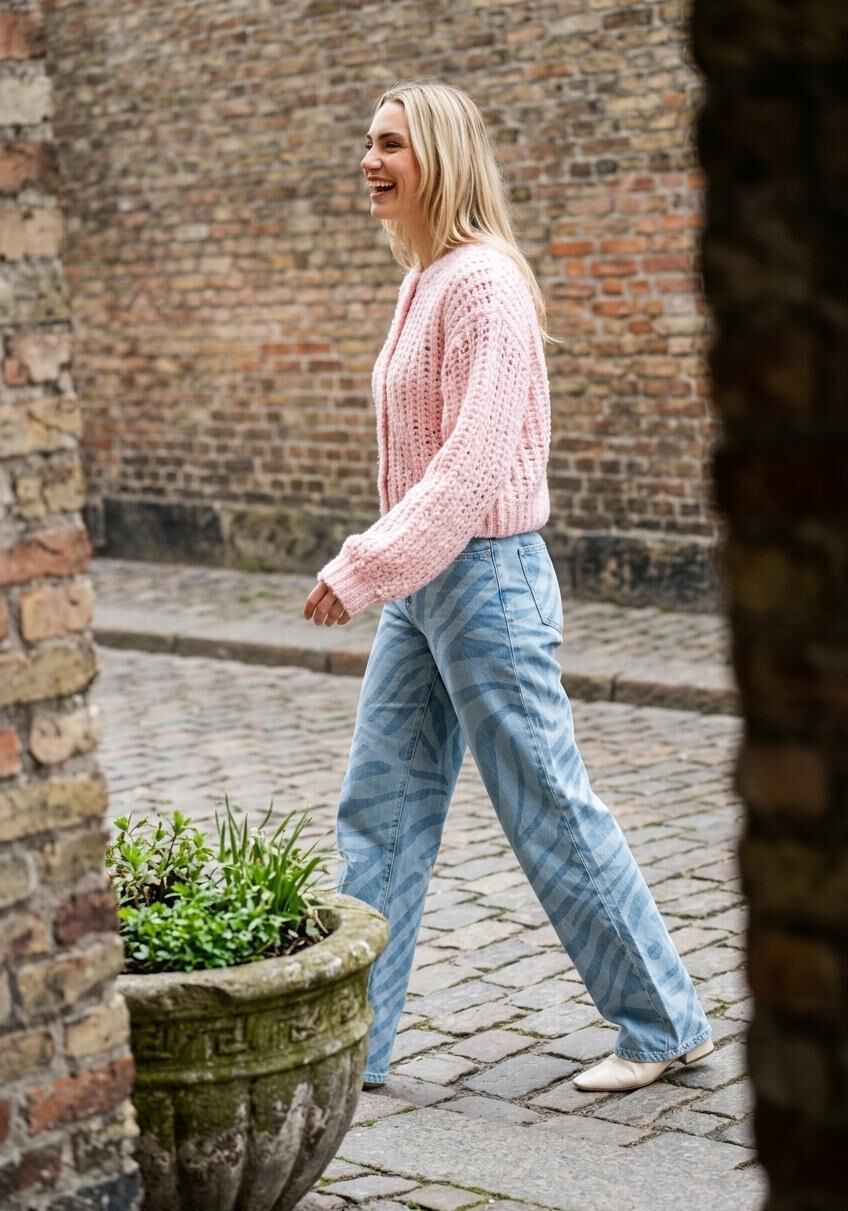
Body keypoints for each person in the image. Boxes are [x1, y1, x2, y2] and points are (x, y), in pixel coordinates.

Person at [302, 79, 713, 1093]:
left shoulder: (483, 284)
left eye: (390, 143)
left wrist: (364, 565)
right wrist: (396, 572)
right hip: (426, 587)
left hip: (484, 579)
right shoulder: (425, 279)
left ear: (439, 157)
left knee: (547, 808)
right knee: (381, 806)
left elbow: (469, 467)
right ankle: (355, 1044)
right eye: (369, 141)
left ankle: (663, 1022)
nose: (369, 159)